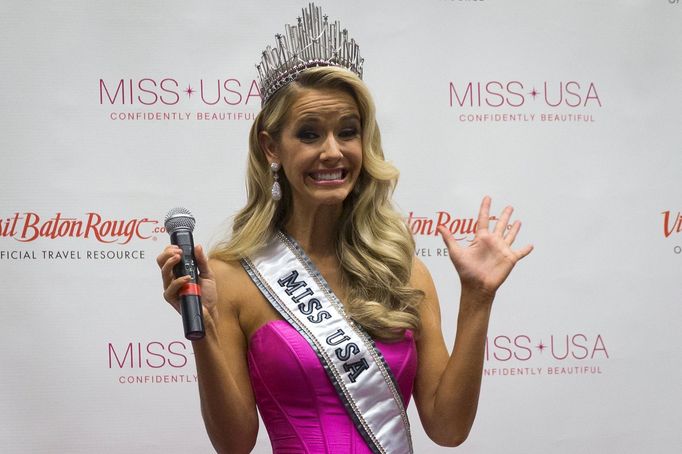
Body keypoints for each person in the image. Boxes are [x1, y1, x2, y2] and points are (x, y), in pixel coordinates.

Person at [157, 4, 532, 453]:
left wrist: (477, 299)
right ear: (271, 146)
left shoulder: (403, 272)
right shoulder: (233, 276)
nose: (333, 152)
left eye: (348, 132)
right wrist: (207, 327)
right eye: (310, 134)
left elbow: (448, 428)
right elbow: (234, 443)